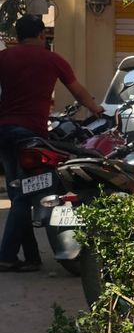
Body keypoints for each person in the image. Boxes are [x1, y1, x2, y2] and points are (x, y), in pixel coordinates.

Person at [0, 15, 105, 272]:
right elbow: (78, 91)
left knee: (18, 193)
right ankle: (6, 256)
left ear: (17, 34)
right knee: (26, 195)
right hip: (30, 135)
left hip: (4, 132)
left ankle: (31, 257)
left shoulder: (4, 58)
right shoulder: (53, 59)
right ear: (41, 35)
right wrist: (97, 110)